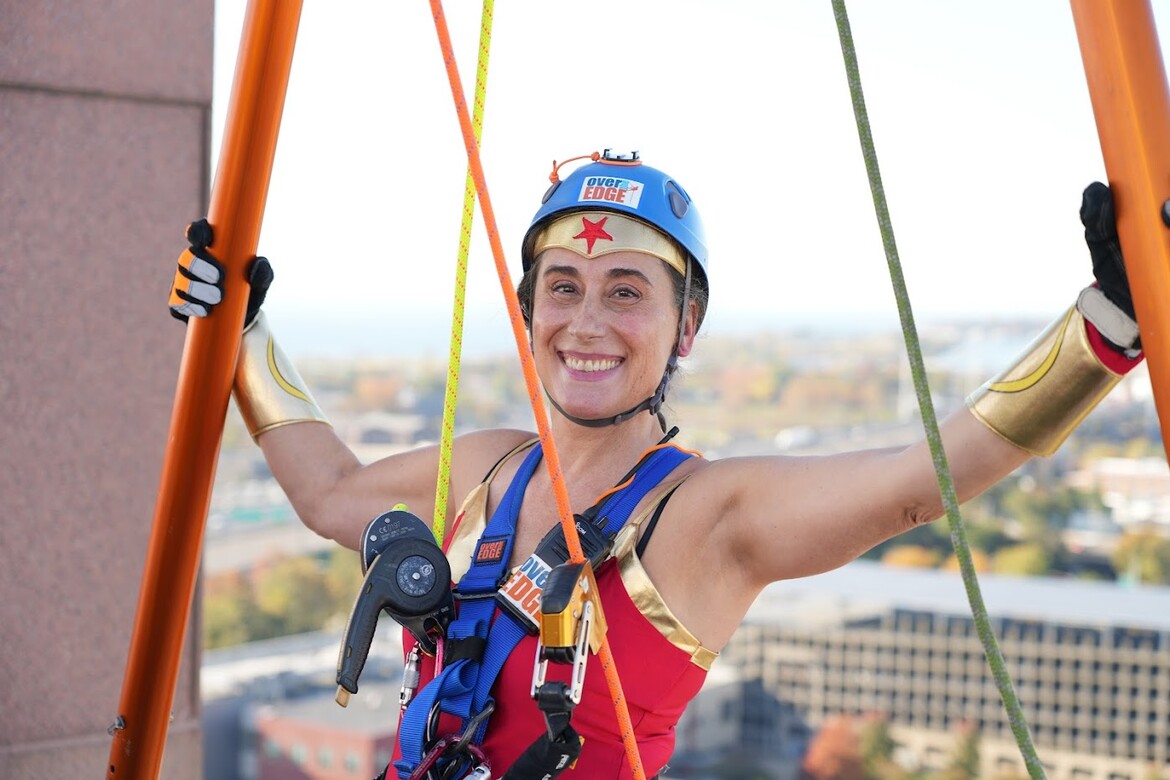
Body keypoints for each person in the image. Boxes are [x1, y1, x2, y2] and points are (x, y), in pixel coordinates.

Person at [170, 150, 1144, 779]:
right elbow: (328, 492)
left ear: (687, 325)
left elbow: (917, 480)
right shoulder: (489, 469)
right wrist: (242, 339)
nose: (587, 322)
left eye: (626, 291)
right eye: (565, 288)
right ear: (530, 311)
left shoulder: (704, 517)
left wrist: (1103, 329)